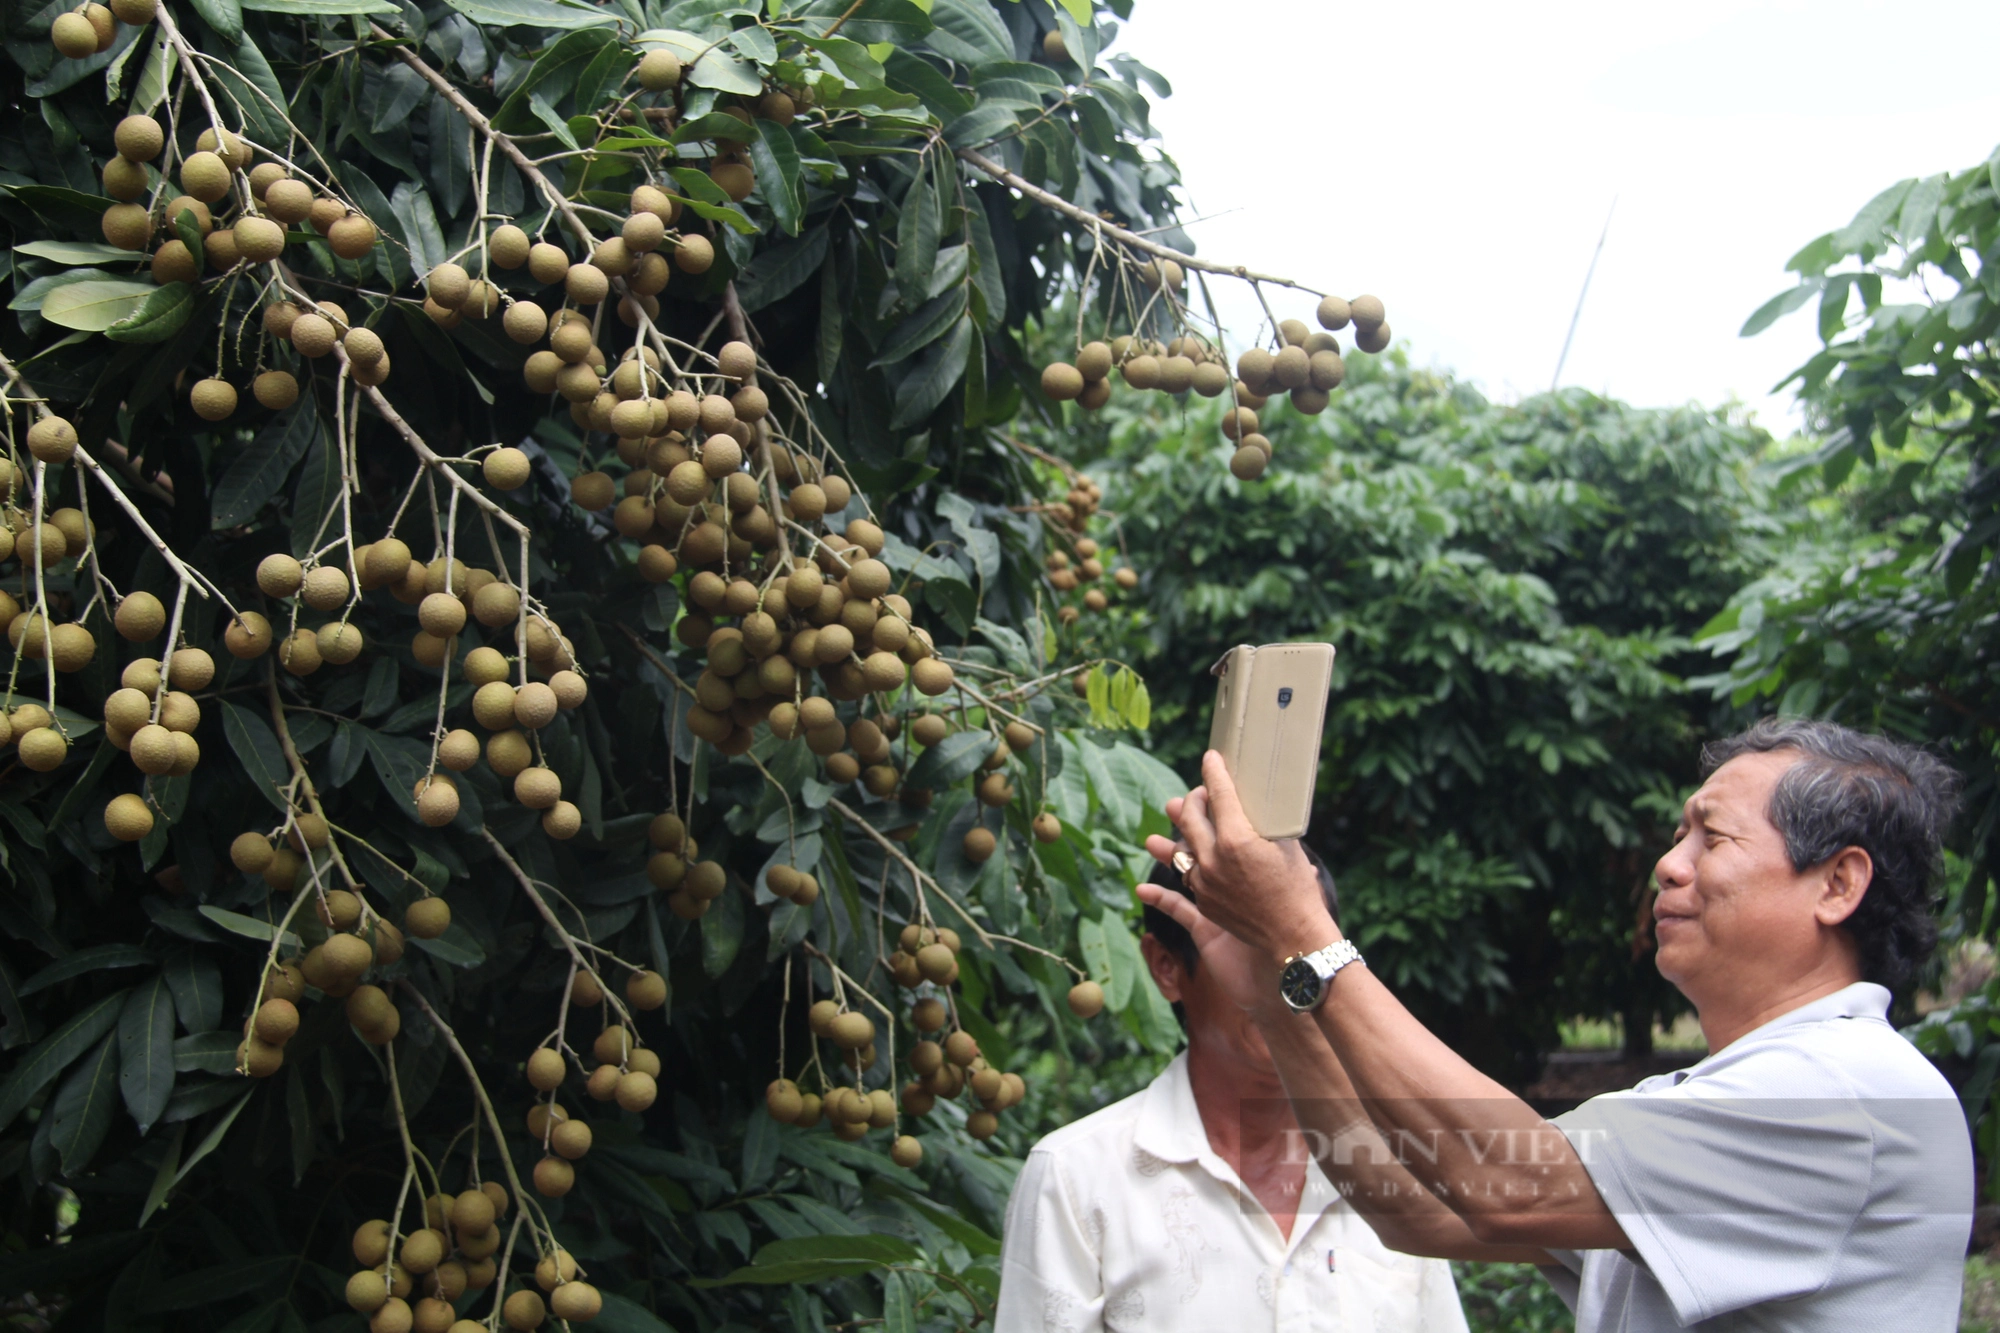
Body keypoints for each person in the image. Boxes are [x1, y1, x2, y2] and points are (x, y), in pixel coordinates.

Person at [1142, 716, 1974, 1331]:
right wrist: (1273, 986)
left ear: (1837, 884)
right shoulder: (1722, 1096)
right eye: (1679, 834)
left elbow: (1503, 1182)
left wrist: (1305, 934)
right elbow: (1418, 1206)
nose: (1668, 863)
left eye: (1710, 838)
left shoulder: (1845, 1094)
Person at [994, 854, 1470, 1332]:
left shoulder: (1398, 1168)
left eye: (1305, 947)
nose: (1286, 982)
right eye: (1248, 947)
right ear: (1166, 966)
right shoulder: (1077, 1178)